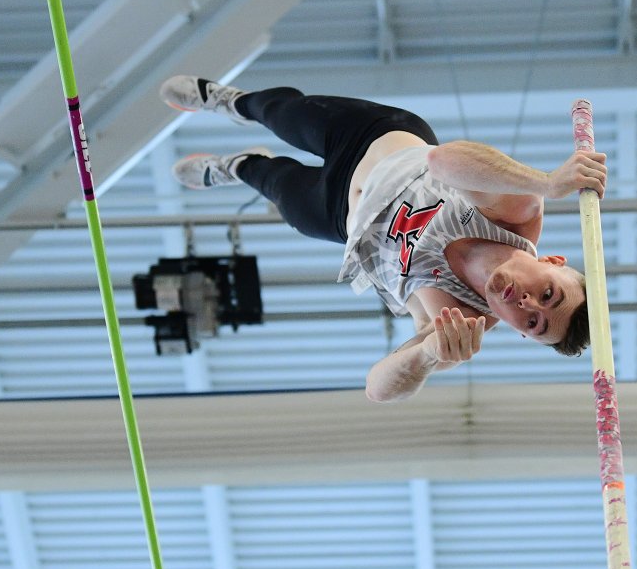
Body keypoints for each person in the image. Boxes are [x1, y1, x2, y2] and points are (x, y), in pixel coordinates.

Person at [160, 76, 607, 402]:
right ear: (551, 261)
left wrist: (428, 356)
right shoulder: (517, 212)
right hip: (374, 137)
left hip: (337, 217)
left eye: (533, 323)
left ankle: (235, 166)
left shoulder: (455, 323)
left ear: (520, 333)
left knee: (269, 180)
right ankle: (228, 101)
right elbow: (445, 160)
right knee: (279, 111)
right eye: (548, 294)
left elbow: (377, 388)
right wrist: (546, 183)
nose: (527, 305)